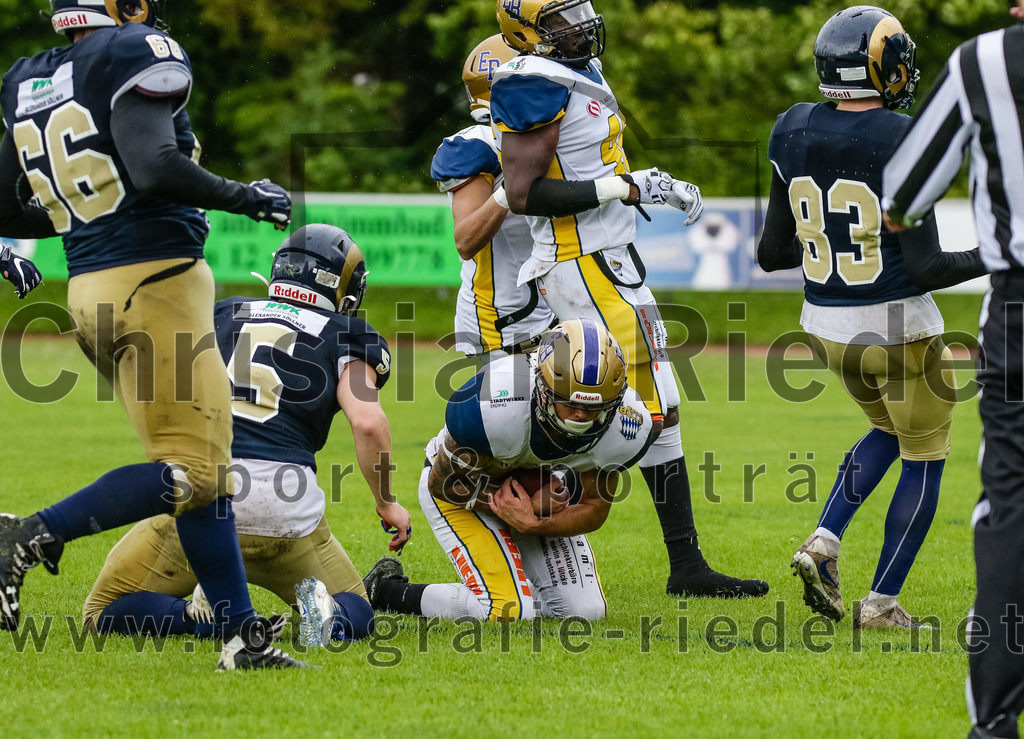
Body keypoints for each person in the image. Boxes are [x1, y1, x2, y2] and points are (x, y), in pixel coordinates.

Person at [0, 0, 303, 670]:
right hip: (156, 282)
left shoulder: (28, 76)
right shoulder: (135, 50)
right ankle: (30, 534)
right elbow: (155, 164)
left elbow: (7, 200)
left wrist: (65, 228)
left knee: (199, 473)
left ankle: (241, 639)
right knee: (196, 468)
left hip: (90, 290)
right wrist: (245, 195)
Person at [489, 0, 767, 598]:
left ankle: (684, 563)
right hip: (581, 266)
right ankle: (518, 523)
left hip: (611, 263)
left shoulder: (576, 69)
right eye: (563, 16)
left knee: (658, 407)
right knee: (604, 405)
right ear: (526, 29)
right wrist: (629, 184)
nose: (582, 23)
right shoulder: (530, 77)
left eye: (581, 9)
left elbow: (590, 163)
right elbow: (521, 191)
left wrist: (637, 189)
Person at [757, 6, 986, 629]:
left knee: (888, 431)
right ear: (880, 64)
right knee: (926, 453)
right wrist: (999, 252)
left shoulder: (791, 128)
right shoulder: (902, 136)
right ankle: (882, 604)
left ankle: (825, 542)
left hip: (825, 326)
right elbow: (931, 267)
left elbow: (771, 253)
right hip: (898, 325)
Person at [81, 224, 411, 648]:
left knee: (105, 610)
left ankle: (200, 617)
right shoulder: (348, 334)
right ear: (343, 289)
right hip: (286, 509)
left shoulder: (222, 314)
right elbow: (368, 422)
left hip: (203, 498)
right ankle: (328, 616)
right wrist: (386, 502)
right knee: (357, 611)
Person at [882, 1, 1024, 734]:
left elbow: (902, 190)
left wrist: (928, 263)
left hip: (1022, 307)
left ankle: (996, 720)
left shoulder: (986, 60)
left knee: (1011, 510)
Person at [363, 318, 653, 621]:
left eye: (594, 408)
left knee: (585, 612)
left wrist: (535, 522)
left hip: (527, 495)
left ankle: (517, 588)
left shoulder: (625, 425)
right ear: (543, 387)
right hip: (459, 488)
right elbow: (442, 483)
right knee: (508, 611)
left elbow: (595, 507)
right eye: (568, 402)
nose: (580, 416)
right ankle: (386, 590)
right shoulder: (495, 405)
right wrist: (515, 506)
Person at [430, 34, 555, 361]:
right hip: (502, 322)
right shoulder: (476, 145)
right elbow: (466, 240)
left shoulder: (549, 134)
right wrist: (509, 190)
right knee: (512, 412)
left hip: (556, 310)